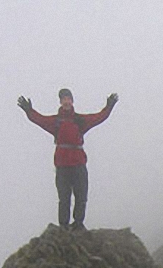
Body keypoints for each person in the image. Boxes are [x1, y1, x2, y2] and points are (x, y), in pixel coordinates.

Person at [17, 89, 118, 230]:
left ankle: (78, 224)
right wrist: (29, 111)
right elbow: (40, 120)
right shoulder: (56, 121)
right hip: (62, 166)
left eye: (68, 98)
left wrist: (109, 107)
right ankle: (63, 226)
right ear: (60, 102)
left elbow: (98, 117)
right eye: (63, 99)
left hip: (78, 164)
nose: (66, 101)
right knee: (64, 199)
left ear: (72, 101)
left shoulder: (79, 120)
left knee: (81, 196)